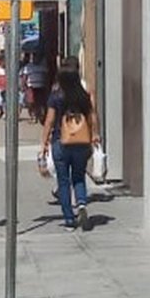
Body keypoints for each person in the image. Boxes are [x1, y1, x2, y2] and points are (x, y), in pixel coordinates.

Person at [42, 66, 99, 231]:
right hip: (82, 143)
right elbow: (92, 116)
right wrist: (94, 134)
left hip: (61, 142)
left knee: (63, 181)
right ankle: (81, 204)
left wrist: (44, 143)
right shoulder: (83, 96)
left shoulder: (56, 97)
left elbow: (49, 121)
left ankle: (69, 218)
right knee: (79, 177)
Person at [22, 54, 50, 123]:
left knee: (40, 103)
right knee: (31, 102)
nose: (35, 58)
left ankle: (40, 116)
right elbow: (24, 77)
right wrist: (23, 86)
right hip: (31, 86)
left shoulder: (42, 66)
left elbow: (47, 76)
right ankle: (33, 116)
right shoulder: (28, 67)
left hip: (41, 86)